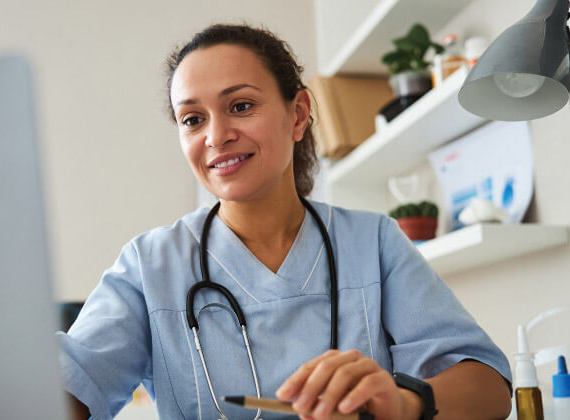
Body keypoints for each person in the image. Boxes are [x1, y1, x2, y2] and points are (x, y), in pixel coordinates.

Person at [59, 23, 512, 420]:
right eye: (193, 119)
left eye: (240, 106)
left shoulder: (372, 242)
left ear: (297, 114)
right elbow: (72, 385)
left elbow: (489, 388)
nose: (216, 136)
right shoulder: (150, 265)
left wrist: (403, 402)